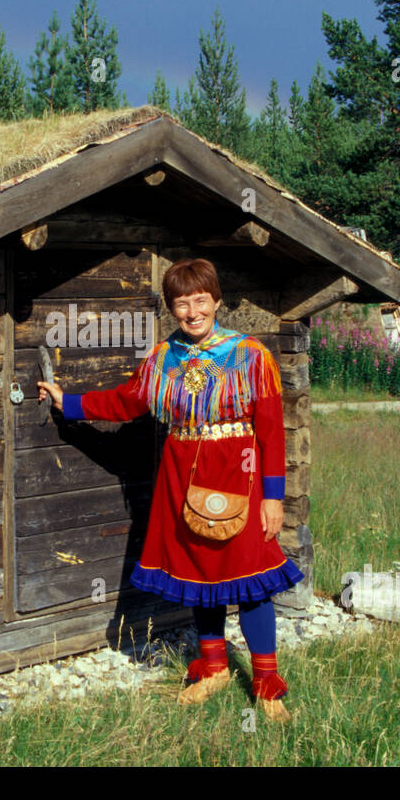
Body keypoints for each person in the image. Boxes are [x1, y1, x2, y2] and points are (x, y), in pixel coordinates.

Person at [38, 257, 304, 722]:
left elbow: (272, 433)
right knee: (202, 578)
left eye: (200, 300)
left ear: (217, 301)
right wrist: (69, 401)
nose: (192, 311)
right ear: (172, 309)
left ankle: (266, 685)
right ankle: (214, 669)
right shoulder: (164, 358)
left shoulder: (251, 357)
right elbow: (125, 401)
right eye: (182, 304)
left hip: (240, 478)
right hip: (182, 482)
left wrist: (274, 497)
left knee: (252, 584)